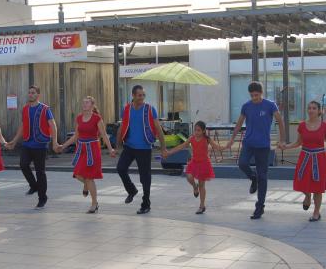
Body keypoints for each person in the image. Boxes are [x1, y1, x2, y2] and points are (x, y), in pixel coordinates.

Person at [226, 81, 286, 219]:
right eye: (252, 95)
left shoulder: (270, 105)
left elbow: (280, 122)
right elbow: (239, 123)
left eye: (256, 95)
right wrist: (232, 139)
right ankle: (253, 178)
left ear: (261, 93)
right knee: (242, 163)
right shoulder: (246, 106)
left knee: (263, 176)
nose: (254, 98)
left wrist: (282, 140)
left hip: (263, 146)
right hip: (248, 143)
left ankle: (260, 207)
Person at [58, 96, 116, 213]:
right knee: (78, 174)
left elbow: (104, 135)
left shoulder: (96, 118)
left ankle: (94, 203)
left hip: (93, 149)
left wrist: (111, 149)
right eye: (83, 102)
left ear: (92, 105)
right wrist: (63, 146)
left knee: (89, 177)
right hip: (81, 149)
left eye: (87, 103)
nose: (84, 104)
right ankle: (86, 186)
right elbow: (76, 136)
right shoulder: (79, 118)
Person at [281, 101, 326, 221]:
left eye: (314, 108)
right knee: (300, 182)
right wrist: (286, 146)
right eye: (309, 108)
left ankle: (316, 213)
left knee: (318, 188)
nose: (311, 110)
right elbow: (298, 143)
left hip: (320, 159)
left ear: (319, 111)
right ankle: (307, 196)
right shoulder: (302, 126)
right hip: (305, 158)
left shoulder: (325, 126)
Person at [116, 85, 167, 215]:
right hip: (129, 146)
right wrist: (118, 145)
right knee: (121, 168)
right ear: (133, 96)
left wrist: (163, 148)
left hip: (144, 148)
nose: (142, 97)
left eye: (143, 95)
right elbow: (122, 127)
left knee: (145, 177)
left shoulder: (150, 109)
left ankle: (146, 204)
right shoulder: (126, 109)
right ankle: (132, 190)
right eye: (139, 95)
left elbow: (158, 129)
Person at [6, 85, 58, 209]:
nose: (30, 94)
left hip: (40, 144)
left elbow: (53, 125)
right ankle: (33, 186)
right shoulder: (25, 109)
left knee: (40, 172)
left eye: (33, 93)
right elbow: (23, 126)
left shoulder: (45, 109)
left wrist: (55, 142)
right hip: (27, 143)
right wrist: (14, 141)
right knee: (23, 164)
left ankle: (42, 198)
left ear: (38, 95)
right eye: (29, 92)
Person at [164, 121, 222, 214]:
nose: (196, 132)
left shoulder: (206, 139)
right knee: (189, 177)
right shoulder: (192, 138)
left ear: (203, 131)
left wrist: (227, 146)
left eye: (198, 130)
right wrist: (169, 152)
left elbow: (217, 147)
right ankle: (195, 187)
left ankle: (202, 206)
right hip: (194, 162)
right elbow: (181, 146)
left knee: (202, 185)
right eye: (195, 130)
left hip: (204, 164)